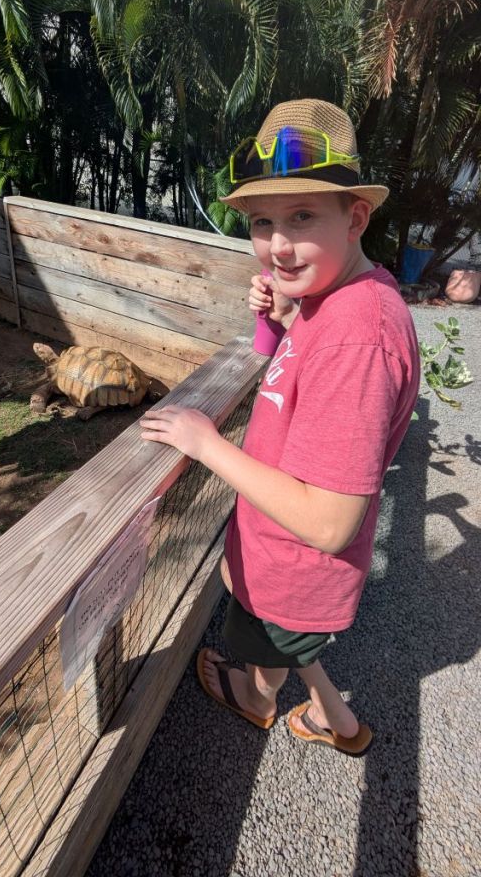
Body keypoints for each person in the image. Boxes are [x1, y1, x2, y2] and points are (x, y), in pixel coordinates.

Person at [140, 98, 420, 755]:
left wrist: (205, 444)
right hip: (284, 557)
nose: (276, 245)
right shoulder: (338, 300)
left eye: (301, 217)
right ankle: (340, 724)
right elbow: (287, 370)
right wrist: (279, 317)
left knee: (269, 642)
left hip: (293, 563)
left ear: (354, 217)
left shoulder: (357, 338)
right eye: (262, 222)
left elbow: (329, 522)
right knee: (292, 643)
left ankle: (256, 700)